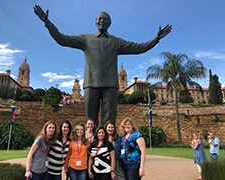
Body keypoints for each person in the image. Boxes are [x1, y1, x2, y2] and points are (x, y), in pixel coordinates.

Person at [33, 5, 172, 126]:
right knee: (90, 120)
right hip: (91, 83)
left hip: (110, 85)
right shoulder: (86, 39)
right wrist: (47, 22)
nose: (102, 21)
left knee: (109, 120)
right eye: (99, 19)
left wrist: (156, 39)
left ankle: (107, 150)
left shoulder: (116, 42)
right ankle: (91, 149)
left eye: (105, 19)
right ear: (95, 22)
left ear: (109, 23)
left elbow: (139, 48)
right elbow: (62, 39)